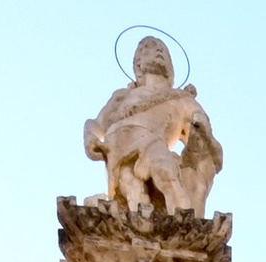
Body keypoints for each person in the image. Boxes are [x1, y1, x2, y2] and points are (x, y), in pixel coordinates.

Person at [84, 38, 222, 218]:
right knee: (133, 194)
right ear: (138, 63)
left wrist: (200, 128)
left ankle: (185, 222)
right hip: (117, 146)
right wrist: (89, 137)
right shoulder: (122, 96)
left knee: (165, 171)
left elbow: (205, 139)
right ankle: (141, 231)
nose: (158, 52)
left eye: (162, 51)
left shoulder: (183, 100)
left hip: (152, 142)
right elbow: (96, 124)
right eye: (148, 49)